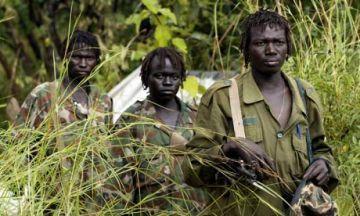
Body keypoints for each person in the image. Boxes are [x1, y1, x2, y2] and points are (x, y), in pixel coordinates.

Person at [182, 9, 339, 215]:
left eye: (278, 42)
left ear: (288, 48)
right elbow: (192, 168)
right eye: (260, 43)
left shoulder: (305, 94)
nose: (271, 49)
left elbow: (321, 148)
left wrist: (324, 164)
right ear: (246, 50)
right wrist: (229, 148)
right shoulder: (223, 97)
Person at [14, 29, 112, 213]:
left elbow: (108, 151)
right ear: (65, 57)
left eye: (89, 58)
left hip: (93, 203)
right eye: (77, 57)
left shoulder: (103, 100)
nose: (83, 63)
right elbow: (18, 145)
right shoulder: (45, 95)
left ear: (97, 61)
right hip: (52, 201)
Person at [108, 47, 207, 214]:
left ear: (181, 79)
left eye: (174, 76)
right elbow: (118, 186)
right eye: (160, 76)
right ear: (147, 78)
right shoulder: (131, 121)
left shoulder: (199, 118)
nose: (167, 82)